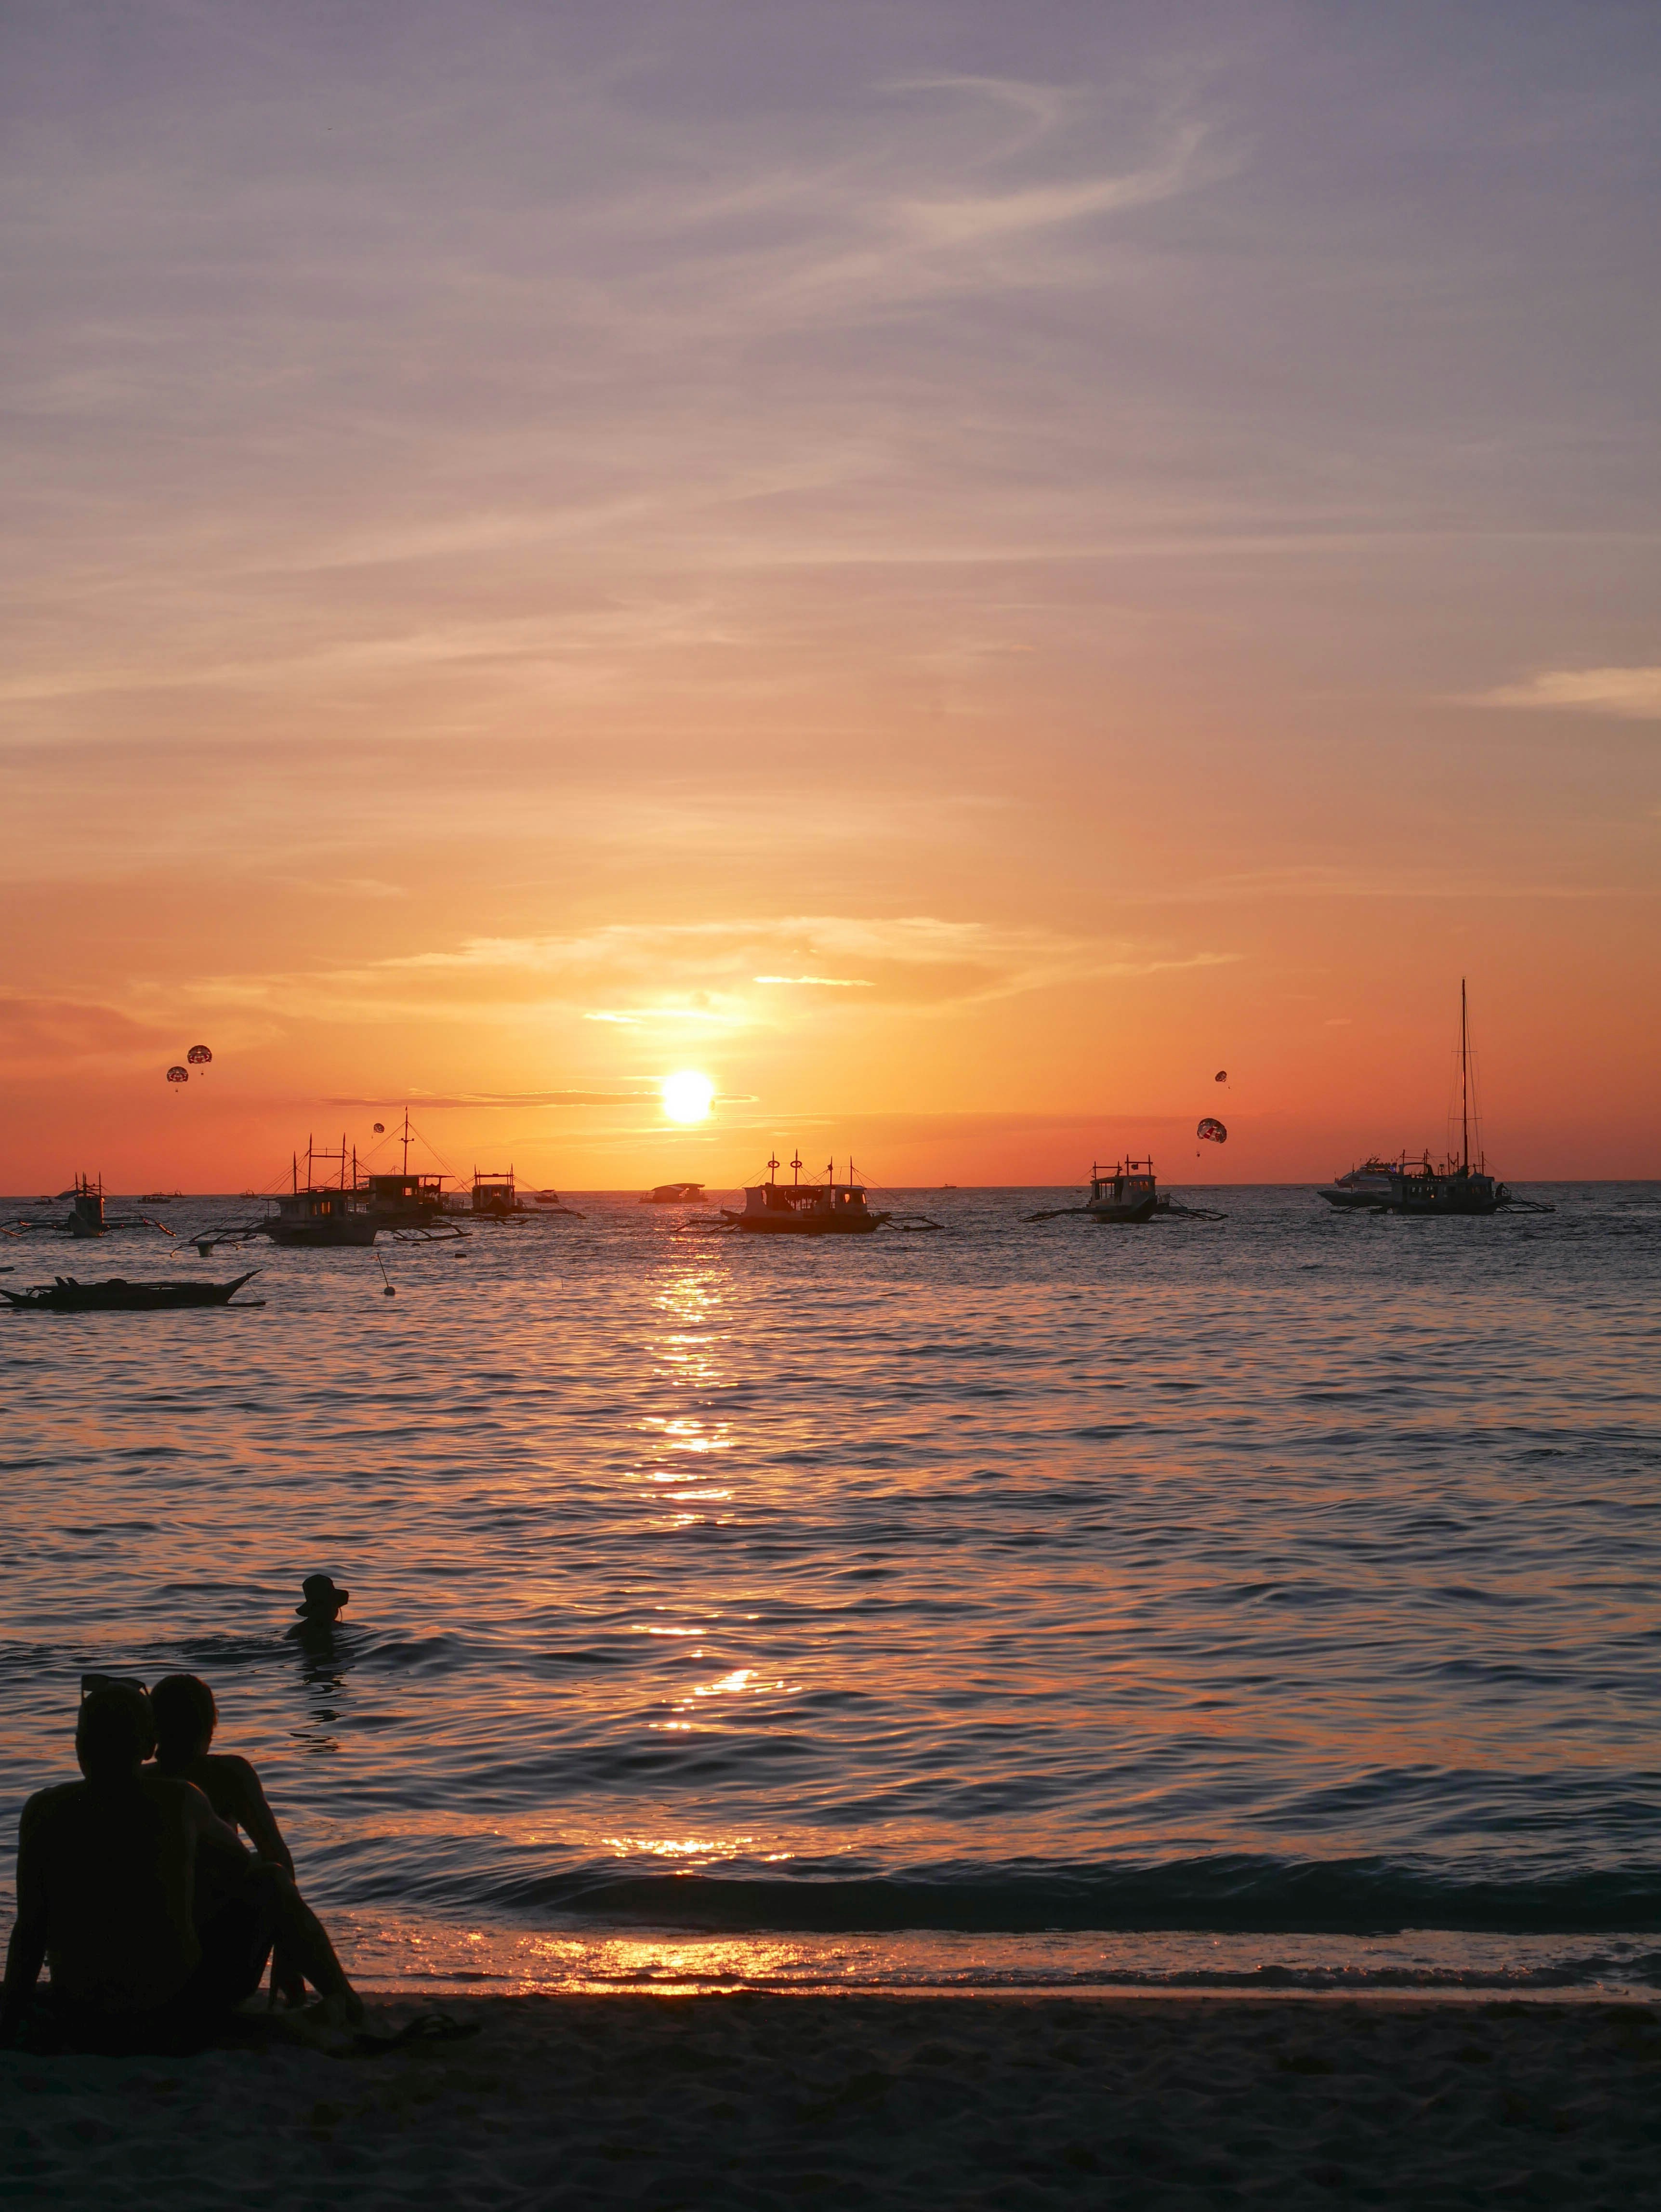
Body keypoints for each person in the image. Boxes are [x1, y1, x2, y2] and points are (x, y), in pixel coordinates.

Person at [0, 1685, 362, 2053]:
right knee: (272, 1880)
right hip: (172, 2010)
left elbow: (29, 1931)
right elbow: (248, 1868)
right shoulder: (181, 1800)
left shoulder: (42, 1810)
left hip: (80, 2009)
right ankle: (350, 2005)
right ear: (149, 1747)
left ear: (79, 1744)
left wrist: (10, 2019)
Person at [150, 1673, 306, 2006]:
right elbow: (279, 1858)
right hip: (215, 1970)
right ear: (211, 1728)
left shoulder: (136, 1782)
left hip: (145, 1968)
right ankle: (332, 1995)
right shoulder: (228, 1775)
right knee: (272, 1873)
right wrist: (288, 1954)